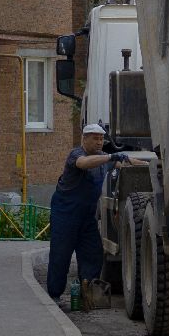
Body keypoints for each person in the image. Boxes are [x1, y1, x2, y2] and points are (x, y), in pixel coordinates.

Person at [46, 123, 130, 302]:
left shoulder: (103, 159)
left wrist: (147, 165)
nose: (99, 142)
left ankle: (88, 292)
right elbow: (83, 164)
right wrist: (110, 157)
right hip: (65, 215)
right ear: (84, 139)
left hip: (87, 217)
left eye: (101, 139)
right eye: (95, 138)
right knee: (60, 255)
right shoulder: (77, 155)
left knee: (93, 254)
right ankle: (54, 295)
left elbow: (125, 163)